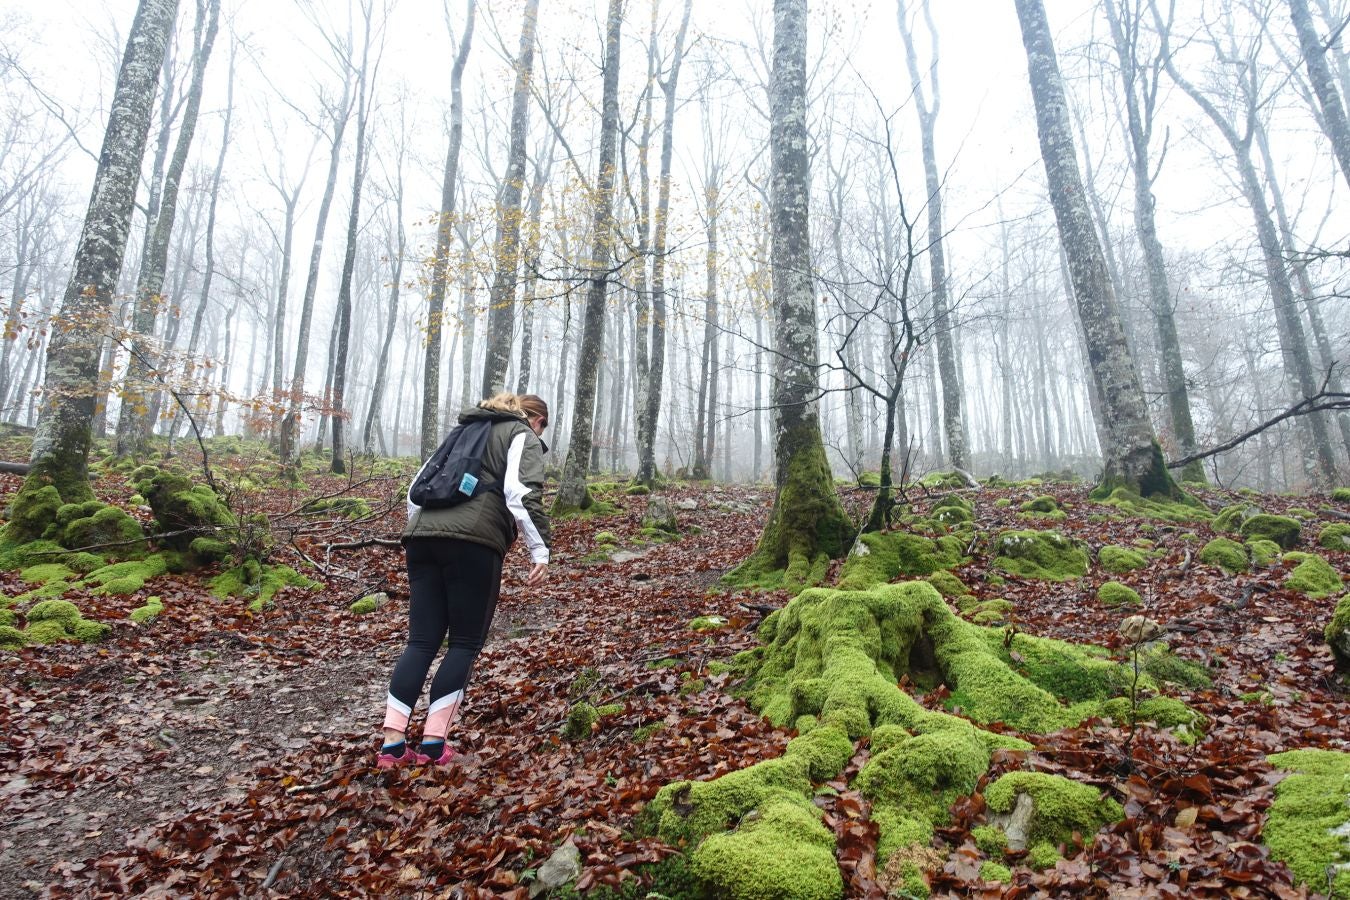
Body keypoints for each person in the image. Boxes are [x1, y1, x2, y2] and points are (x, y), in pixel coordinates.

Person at [377, 392, 552, 768]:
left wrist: (422, 532)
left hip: (421, 538)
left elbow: (415, 490)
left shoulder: (462, 430)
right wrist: (541, 551)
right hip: (473, 544)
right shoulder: (521, 434)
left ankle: (392, 745)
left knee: (421, 642)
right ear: (535, 419)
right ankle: (434, 745)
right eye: (542, 428)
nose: (540, 436)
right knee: (464, 644)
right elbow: (520, 494)